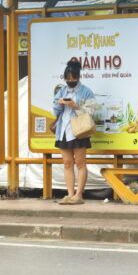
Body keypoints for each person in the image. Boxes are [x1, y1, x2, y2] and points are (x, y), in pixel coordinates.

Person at [52, 58, 97, 205]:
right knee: (67, 163)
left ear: (78, 77)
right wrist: (59, 103)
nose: (70, 81)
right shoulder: (62, 91)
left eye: (73, 78)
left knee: (80, 163)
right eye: (68, 78)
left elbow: (92, 111)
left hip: (79, 130)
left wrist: (75, 105)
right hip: (63, 130)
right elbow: (54, 110)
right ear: (64, 78)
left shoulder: (86, 91)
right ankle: (70, 194)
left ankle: (79, 195)